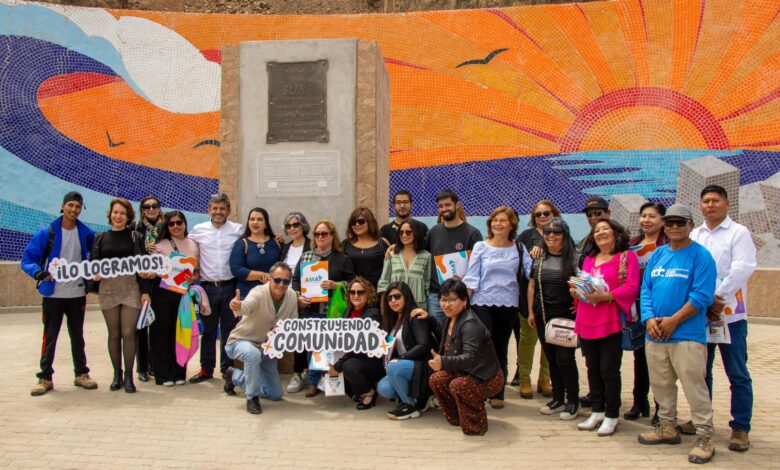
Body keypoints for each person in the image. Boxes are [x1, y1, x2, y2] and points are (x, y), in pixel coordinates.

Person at [637, 204, 717, 464]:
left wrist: (674, 321)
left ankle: (705, 436)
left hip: (687, 335)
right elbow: (646, 289)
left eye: (680, 223)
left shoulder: (701, 256)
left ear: (690, 225)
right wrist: (649, 319)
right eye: (669, 223)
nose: (674, 227)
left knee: (694, 387)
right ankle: (667, 427)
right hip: (655, 335)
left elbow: (702, 296)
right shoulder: (659, 254)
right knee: (661, 385)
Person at [690, 185, 757, 452]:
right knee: (700, 372)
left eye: (715, 200)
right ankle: (701, 421)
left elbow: (742, 268)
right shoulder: (695, 234)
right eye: (705, 201)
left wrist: (717, 297)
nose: (710, 205)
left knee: (737, 373)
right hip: (700, 315)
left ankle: (740, 427)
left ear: (727, 204)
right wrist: (703, 301)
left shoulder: (738, 233)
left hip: (730, 316)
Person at [22, 191, 98, 396]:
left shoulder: (86, 233)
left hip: (77, 293)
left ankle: (81, 374)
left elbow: (99, 254)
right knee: (50, 337)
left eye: (78, 206)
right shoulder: (47, 232)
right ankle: (44, 377)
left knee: (78, 336)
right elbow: (28, 259)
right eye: (70, 205)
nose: (74, 210)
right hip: (53, 295)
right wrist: (38, 272)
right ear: (63, 206)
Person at [574, 218, 640, 436]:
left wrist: (606, 296)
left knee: (609, 369)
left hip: (610, 319)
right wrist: (576, 291)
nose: (600, 233)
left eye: (605, 229)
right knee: (592, 367)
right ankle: (597, 410)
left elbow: (632, 286)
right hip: (587, 318)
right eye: (597, 230)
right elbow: (584, 284)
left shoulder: (626, 257)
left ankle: (612, 414)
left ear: (615, 233)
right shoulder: (589, 259)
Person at [463, 206, 530, 409]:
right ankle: (478, 389)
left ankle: (497, 391)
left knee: (501, 348)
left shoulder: (519, 248)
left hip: (508, 304)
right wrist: (464, 302)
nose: (498, 224)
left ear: (512, 225)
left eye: (503, 220)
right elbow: (472, 276)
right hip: (481, 302)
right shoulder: (481, 247)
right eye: (495, 220)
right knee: (483, 347)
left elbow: (531, 272)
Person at [90, 198, 153, 393]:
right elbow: (93, 262)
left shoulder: (136, 237)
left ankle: (128, 377)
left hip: (130, 288)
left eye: (123, 213)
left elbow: (143, 265)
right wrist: (95, 274)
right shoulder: (100, 237)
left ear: (128, 217)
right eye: (115, 212)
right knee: (114, 333)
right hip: (108, 289)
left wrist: (145, 291)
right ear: (110, 214)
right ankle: (116, 374)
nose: (118, 216)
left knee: (128, 332)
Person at [428, 278, 503, 436]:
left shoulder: (470, 323)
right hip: (464, 371)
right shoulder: (451, 317)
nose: (446, 304)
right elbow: (446, 337)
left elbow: (468, 358)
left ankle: (476, 425)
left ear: (464, 300)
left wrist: (443, 362)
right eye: (443, 300)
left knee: (459, 385)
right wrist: (429, 318)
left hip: (485, 377)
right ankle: (459, 417)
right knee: (437, 379)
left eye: (452, 300)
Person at [291, 219, 356, 397]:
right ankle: (314, 382)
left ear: (332, 236)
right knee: (313, 348)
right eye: (317, 234)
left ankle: (331, 381)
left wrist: (337, 285)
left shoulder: (342, 258)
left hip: (333, 311)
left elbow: (353, 283)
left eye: (324, 233)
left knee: (332, 348)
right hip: (311, 310)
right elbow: (295, 280)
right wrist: (299, 296)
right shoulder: (306, 257)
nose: (320, 237)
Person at [225, 262, 299, 414]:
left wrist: (283, 332)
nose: (281, 284)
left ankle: (235, 376)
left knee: (275, 394)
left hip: (267, 348)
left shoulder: (291, 296)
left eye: (286, 281)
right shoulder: (258, 292)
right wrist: (237, 305)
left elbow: (293, 323)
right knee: (253, 354)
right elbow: (246, 306)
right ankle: (252, 398)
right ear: (269, 279)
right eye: (277, 280)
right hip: (242, 340)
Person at [187, 193, 243, 387]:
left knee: (229, 331)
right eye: (215, 208)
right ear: (209, 210)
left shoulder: (237, 230)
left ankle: (227, 369)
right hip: (208, 289)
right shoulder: (198, 230)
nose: (218, 212)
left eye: (222, 208)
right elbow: (186, 249)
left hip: (230, 287)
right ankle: (206, 369)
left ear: (228, 210)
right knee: (209, 332)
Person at [527, 217, 580, 420]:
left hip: (566, 316)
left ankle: (573, 400)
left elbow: (583, 285)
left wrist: (580, 307)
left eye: (557, 232)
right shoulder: (539, 257)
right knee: (552, 359)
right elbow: (532, 285)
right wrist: (531, 312)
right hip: (543, 315)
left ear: (565, 235)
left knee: (565, 359)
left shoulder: (574, 259)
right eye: (547, 232)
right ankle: (558, 399)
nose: (551, 235)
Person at [625, 202, 669, 421]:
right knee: (639, 356)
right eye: (643, 216)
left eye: (652, 216)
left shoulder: (668, 244)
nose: (646, 220)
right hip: (637, 306)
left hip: (660, 306)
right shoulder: (633, 244)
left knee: (660, 361)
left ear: (662, 221)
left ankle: (662, 408)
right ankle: (639, 402)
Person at [514, 200, 560, 395]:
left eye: (546, 213)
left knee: (549, 339)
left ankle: (544, 379)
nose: (542, 217)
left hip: (553, 297)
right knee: (527, 340)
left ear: (554, 214)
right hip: (529, 296)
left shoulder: (561, 234)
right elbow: (516, 263)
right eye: (538, 214)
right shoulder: (527, 236)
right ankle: (524, 379)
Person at [149, 211, 199, 386]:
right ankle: (163, 374)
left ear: (185, 223)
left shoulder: (193, 245)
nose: (176, 226)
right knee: (161, 333)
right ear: (167, 226)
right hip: (162, 293)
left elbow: (196, 271)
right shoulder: (159, 245)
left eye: (179, 222)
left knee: (181, 332)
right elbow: (152, 271)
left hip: (183, 295)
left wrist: (192, 278)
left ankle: (179, 372)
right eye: (171, 224)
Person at [425, 189, 483, 324]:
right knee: (438, 333)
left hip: (460, 296)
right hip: (437, 297)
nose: (444, 209)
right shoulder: (433, 232)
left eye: (447, 205)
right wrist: (394, 247)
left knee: (459, 333)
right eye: (440, 206)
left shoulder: (472, 233)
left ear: (457, 205)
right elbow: (419, 251)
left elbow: (479, 266)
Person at [377, 281, 433, 420]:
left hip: (422, 365)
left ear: (406, 297)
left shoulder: (415, 315)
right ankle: (418, 400)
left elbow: (424, 345)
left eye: (397, 296)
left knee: (393, 366)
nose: (393, 301)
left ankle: (409, 406)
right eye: (389, 298)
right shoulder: (393, 318)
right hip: (404, 365)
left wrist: (400, 358)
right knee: (383, 387)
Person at [328, 277, 384, 410]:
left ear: (368, 294)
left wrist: (338, 365)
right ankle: (358, 391)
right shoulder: (348, 311)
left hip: (370, 359)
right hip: (351, 355)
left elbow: (361, 346)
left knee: (348, 365)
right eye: (352, 292)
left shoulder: (373, 314)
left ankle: (369, 392)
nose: (356, 295)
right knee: (326, 362)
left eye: (361, 292)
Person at [279, 211, 313, 394]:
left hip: (306, 300)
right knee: (295, 336)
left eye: (296, 225)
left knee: (304, 337)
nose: (292, 229)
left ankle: (301, 373)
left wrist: (300, 296)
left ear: (303, 226)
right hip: (286, 298)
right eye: (288, 226)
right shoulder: (284, 248)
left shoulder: (311, 246)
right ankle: (300, 372)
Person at [133, 196, 164, 383]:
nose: (151, 209)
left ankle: (154, 363)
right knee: (142, 326)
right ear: (142, 209)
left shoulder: (166, 228)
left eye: (154, 206)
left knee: (158, 327)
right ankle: (142, 367)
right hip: (141, 284)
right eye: (147, 207)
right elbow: (136, 258)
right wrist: (144, 288)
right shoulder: (136, 230)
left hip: (161, 283)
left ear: (159, 208)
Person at [377, 220, 431, 309]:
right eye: (401, 232)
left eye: (408, 232)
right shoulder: (392, 254)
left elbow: (427, 284)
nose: (404, 235)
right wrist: (384, 309)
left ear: (416, 233)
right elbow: (384, 282)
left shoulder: (426, 256)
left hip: (418, 306)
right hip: (395, 306)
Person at [230, 207, 281, 299]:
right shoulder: (241, 244)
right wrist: (264, 275)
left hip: (272, 295)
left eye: (259, 219)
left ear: (266, 224)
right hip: (247, 296)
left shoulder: (276, 243)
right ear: (248, 222)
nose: (255, 222)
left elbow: (282, 266)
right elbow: (236, 270)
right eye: (252, 219)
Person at [342, 207, 389, 288]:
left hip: (377, 292)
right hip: (352, 292)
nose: (357, 225)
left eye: (361, 221)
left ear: (370, 222)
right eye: (353, 222)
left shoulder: (382, 243)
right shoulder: (345, 244)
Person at [577, 196, 611, 267]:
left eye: (597, 213)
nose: (593, 218)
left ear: (608, 213)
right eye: (589, 215)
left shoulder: (616, 236)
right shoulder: (587, 238)